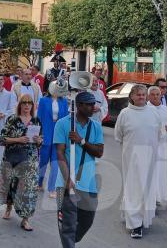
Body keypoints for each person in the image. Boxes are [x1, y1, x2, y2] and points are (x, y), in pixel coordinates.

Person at [55, 91, 105, 248]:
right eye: (89, 104)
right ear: (79, 106)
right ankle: (68, 242)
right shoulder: (63, 124)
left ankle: (69, 240)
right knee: (68, 224)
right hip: (66, 183)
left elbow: (99, 152)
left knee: (87, 221)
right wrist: (67, 178)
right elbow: (60, 153)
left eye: (93, 104)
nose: (93, 107)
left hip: (89, 182)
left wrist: (81, 140)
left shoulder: (95, 126)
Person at [115, 84, 161, 239]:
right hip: (131, 157)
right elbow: (118, 135)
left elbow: (159, 133)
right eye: (138, 95)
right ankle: (135, 225)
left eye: (143, 94)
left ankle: (142, 217)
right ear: (132, 97)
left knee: (146, 188)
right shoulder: (125, 113)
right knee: (133, 188)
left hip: (150, 156)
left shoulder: (154, 112)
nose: (142, 97)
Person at [0, 94, 42, 232]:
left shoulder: (36, 120)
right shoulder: (12, 120)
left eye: (29, 103)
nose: (27, 105)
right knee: (11, 185)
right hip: (13, 158)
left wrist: (39, 141)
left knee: (29, 189)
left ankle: (25, 219)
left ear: (32, 106)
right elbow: (2, 139)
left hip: (30, 160)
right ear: (20, 105)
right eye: (24, 102)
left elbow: (40, 140)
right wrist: (18, 140)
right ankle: (9, 207)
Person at [148, 86, 167, 207]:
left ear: (161, 95)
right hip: (149, 146)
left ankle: (158, 196)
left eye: (157, 94)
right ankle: (149, 195)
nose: (155, 97)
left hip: (162, 146)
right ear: (149, 96)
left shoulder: (166, 109)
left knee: (160, 171)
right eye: (153, 94)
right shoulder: (145, 109)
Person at [37, 84, 68, 197]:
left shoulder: (64, 101)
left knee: (55, 163)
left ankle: (52, 189)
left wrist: (65, 135)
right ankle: (39, 183)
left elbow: (66, 119)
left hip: (58, 135)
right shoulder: (43, 101)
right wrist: (39, 134)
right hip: (45, 133)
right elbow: (39, 118)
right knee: (43, 162)